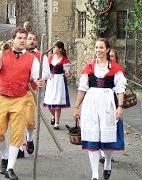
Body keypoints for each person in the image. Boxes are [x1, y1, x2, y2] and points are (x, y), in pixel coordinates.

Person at [0, 27, 49, 180]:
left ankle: (10, 168)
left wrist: (41, 81)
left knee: (16, 135)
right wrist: (1, 53)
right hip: (1, 97)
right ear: (13, 39)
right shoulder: (3, 53)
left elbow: (37, 78)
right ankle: (5, 156)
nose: (22, 40)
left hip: (20, 99)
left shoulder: (32, 59)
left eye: (24, 38)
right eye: (19, 38)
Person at [73, 38, 127, 180]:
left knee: (107, 139)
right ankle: (95, 174)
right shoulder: (89, 67)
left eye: (101, 47)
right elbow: (82, 88)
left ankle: (108, 162)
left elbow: (120, 89)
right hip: (91, 104)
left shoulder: (114, 68)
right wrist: (76, 107)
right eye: (96, 47)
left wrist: (120, 106)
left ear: (107, 49)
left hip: (108, 104)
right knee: (92, 138)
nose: (98, 50)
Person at [17, 31, 50, 158]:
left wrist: (36, 77)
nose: (31, 41)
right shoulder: (18, 54)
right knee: (18, 120)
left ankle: (29, 139)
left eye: (33, 39)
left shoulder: (41, 56)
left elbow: (46, 73)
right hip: (17, 92)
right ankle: (19, 147)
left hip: (32, 91)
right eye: (29, 39)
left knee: (30, 121)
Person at [43, 41, 71, 130]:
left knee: (58, 102)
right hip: (51, 81)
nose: (53, 49)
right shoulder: (50, 58)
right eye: (53, 47)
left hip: (59, 81)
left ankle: (57, 123)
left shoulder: (65, 60)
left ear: (60, 49)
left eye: (55, 47)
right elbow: (46, 69)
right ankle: (53, 116)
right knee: (50, 102)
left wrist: (67, 73)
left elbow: (68, 72)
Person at [99, 48, 120, 164]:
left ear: (116, 59)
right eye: (109, 56)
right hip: (101, 101)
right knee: (101, 126)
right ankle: (103, 154)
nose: (110, 58)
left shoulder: (118, 71)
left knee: (112, 127)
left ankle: (108, 154)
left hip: (114, 101)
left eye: (112, 56)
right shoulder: (100, 68)